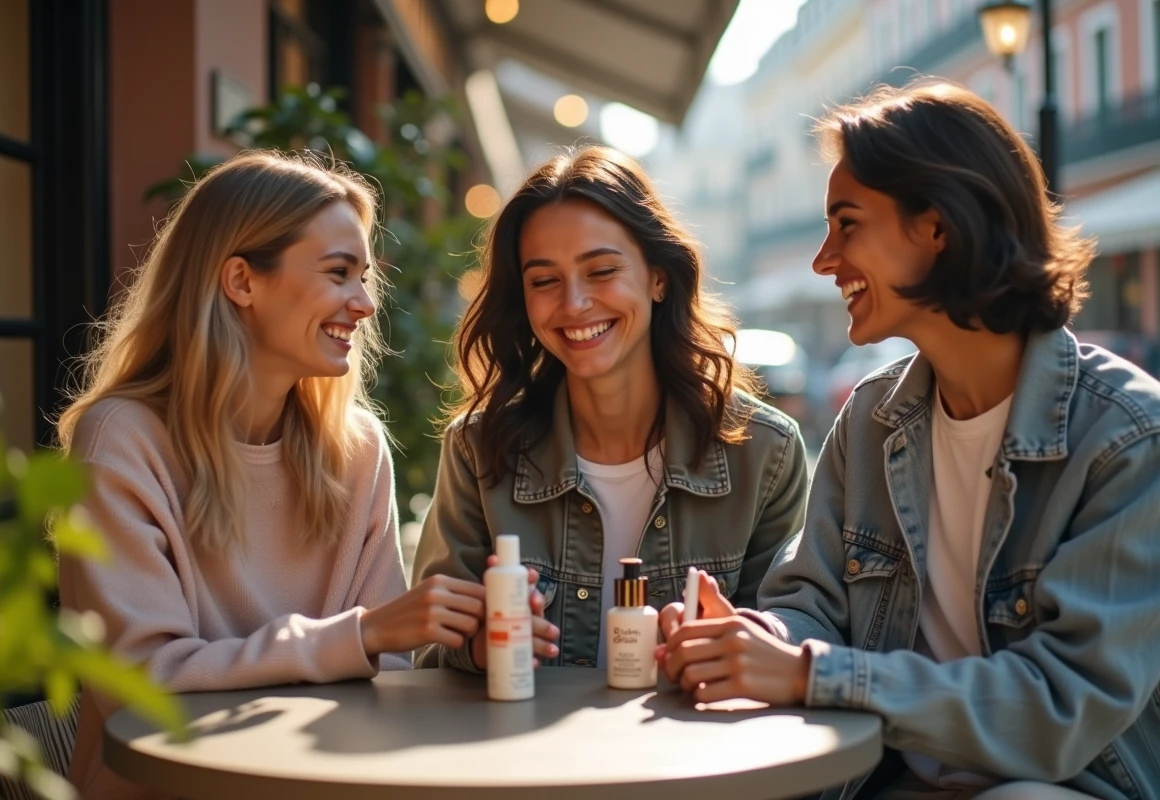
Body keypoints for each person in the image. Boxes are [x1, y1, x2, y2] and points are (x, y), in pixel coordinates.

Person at [656, 82, 1160, 800]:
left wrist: (807, 673)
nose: (824, 259)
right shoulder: (871, 418)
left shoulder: (1129, 439)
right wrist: (749, 635)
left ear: (937, 227)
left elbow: (1059, 711)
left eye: (847, 223)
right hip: (888, 777)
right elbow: (814, 607)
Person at [57, 151, 486, 799]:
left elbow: (391, 673)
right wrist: (358, 636)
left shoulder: (357, 447)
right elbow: (140, 686)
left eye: (364, 277)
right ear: (241, 281)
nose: (365, 304)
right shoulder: (122, 440)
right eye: (339, 273)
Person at [412, 145, 809, 672]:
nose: (574, 304)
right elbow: (429, 654)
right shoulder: (478, 450)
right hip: (525, 752)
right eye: (544, 281)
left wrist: (738, 643)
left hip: (694, 753)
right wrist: (479, 647)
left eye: (600, 271)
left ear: (659, 276)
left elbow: (790, 639)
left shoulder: (765, 453)